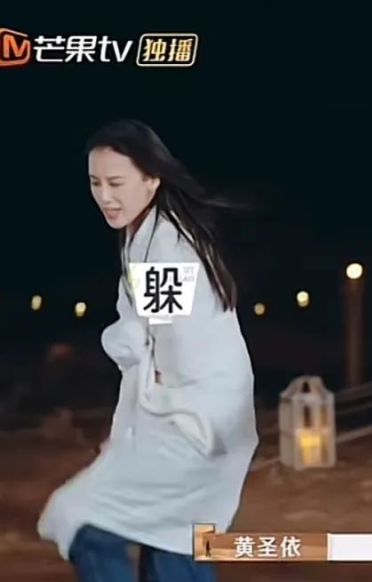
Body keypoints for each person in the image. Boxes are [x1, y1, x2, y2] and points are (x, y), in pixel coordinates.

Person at [37, 119, 259, 582]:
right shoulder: (147, 237)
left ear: (152, 179)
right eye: (95, 183)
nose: (104, 196)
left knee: (88, 523)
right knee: (171, 549)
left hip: (197, 426)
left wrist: (142, 440)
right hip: (200, 420)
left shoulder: (164, 250)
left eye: (116, 183)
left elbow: (177, 353)